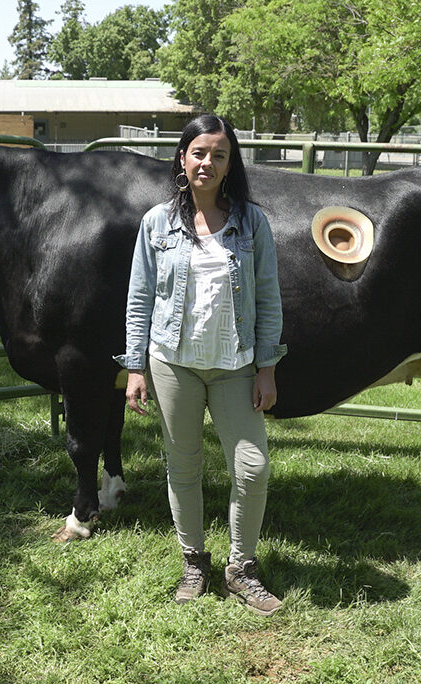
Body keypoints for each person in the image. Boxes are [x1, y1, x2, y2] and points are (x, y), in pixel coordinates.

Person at [114, 114, 287, 616]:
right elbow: (139, 299)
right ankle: (194, 561)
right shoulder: (156, 224)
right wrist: (137, 367)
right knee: (183, 467)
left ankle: (241, 568)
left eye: (219, 154)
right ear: (182, 158)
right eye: (199, 152)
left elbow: (270, 300)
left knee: (251, 468)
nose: (207, 162)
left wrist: (267, 367)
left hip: (235, 364)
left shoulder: (252, 222)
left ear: (231, 163)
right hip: (173, 365)